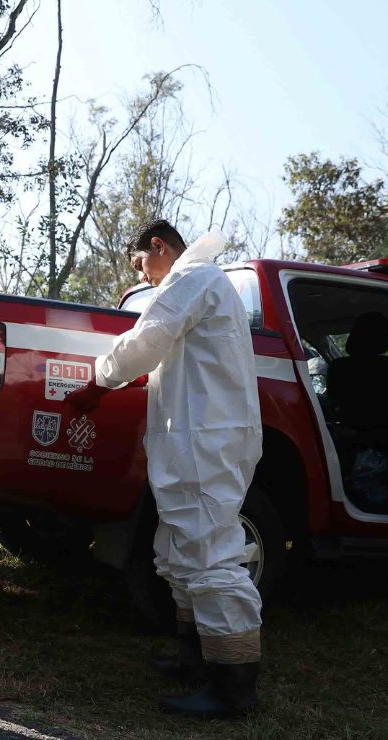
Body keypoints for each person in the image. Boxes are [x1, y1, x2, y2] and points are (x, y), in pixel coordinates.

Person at [65, 219, 263, 719]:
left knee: (210, 555)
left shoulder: (192, 277)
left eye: (141, 265)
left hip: (205, 440)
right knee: (179, 551)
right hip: (199, 438)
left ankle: (232, 686)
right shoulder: (205, 284)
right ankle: (196, 660)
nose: (146, 276)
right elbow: (172, 358)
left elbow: (148, 337)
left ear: (158, 247)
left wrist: (98, 382)